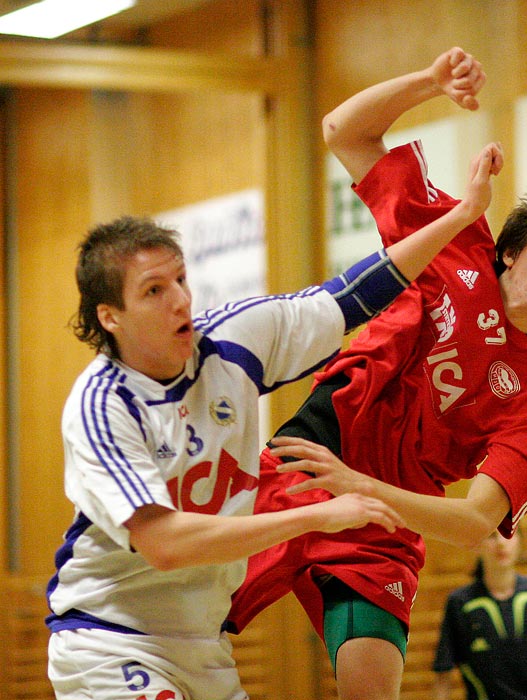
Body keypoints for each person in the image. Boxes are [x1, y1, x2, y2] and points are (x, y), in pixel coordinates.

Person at [44, 129, 501, 700]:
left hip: (203, 645)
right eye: (155, 291)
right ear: (111, 317)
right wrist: (311, 518)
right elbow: (165, 544)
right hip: (110, 639)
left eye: (181, 279)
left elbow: (354, 294)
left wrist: (463, 216)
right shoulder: (101, 407)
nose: (182, 300)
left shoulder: (235, 339)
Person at [226, 46, 527, 700]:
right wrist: (431, 83)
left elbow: (474, 522)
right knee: (177, 625)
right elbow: (342, 131)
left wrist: (362, 490)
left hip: (379, 527)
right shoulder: (452, 240)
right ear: (513, 247)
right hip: (303, 463)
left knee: (370, 686)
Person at [432, 530, 527, 700]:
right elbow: (443, 674)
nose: (501, 543)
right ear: (477, 544)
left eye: (508, 533)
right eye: (492, 536)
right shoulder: (459, 602)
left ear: (520, 540)